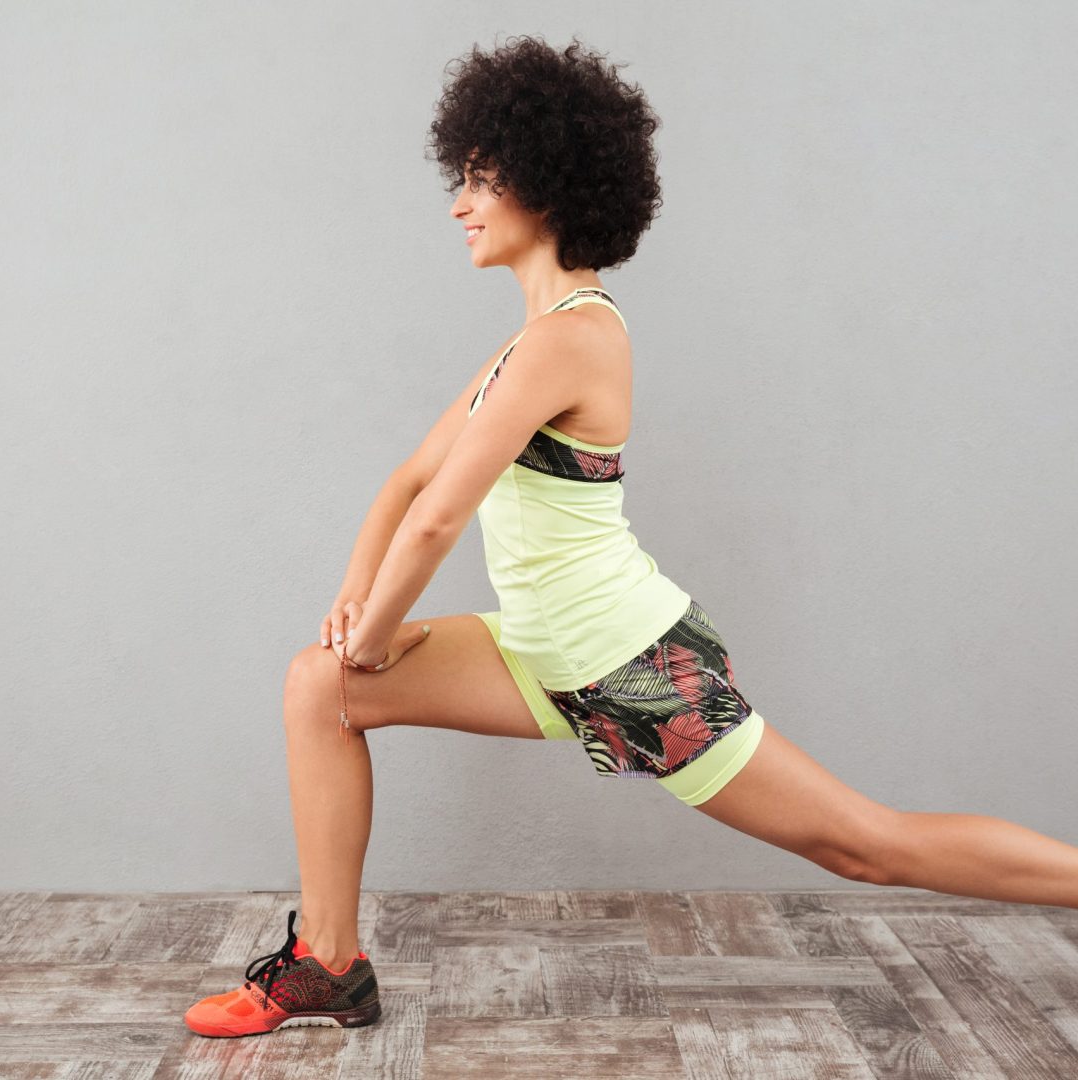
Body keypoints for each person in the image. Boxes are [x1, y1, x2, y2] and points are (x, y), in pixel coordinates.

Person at [185, 34, 1078, 1040]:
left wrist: (384, 628)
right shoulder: (525, 342)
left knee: (864, 846)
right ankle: (331, 967)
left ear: (548, 182)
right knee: (321, 684)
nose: (458, 203)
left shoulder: (575, 337)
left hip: (629, 663)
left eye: (481, 179)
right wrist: (357, 613)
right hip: (542, 651)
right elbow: (408, 484)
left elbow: (442, 518)